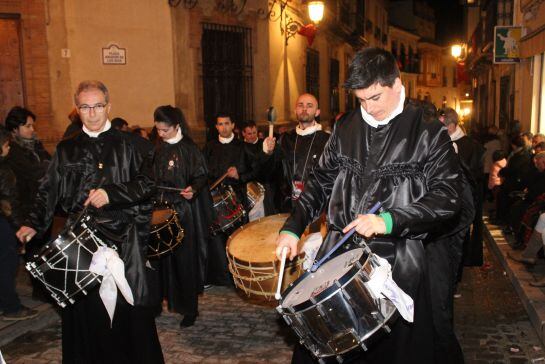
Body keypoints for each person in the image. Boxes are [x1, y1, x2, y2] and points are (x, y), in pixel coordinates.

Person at [275, 48, 464, 363]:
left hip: (398, 261)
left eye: (375, 97)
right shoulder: (346, 125)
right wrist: (293, 227)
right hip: (340, 252)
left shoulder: (427, 129)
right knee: (326, 345)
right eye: (361, 100)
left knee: (394, 353)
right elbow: (320, 181)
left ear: (396, 83)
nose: (368, 107)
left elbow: (448, 196)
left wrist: (389, 220)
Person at [16, 80, 164, 363]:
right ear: (77, 110)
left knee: (129, 313)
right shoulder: (66, 149)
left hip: (123, 241)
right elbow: (49, 190)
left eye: (98, 106)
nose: (92, 113)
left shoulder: (134, 145)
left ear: (108, 106)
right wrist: (34, 223)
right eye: (85, 107)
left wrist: (112, 194)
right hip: (80, 243)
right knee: (86, 313)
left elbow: (148, 185)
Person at [151, 105, 213, 327]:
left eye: (165, 130)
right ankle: (157, 302)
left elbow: (201, 176)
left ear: (176, 126)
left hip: (184, 212)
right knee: (160, 259)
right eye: (158, 129)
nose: (161, 134)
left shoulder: (190, 148)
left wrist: (192, 189)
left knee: (184, 261)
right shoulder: (157, 148)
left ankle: (189, 309)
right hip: (160, 210)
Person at [203, 113, 254, 286]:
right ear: (216, 127)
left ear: (233, 125)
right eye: (220, 124)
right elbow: (202, 173)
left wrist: (239, 175)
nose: (223, 127)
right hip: (214, 200)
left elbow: (253, 171)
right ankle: (220, 277)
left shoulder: (243, 147)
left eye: (227, 124)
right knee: (216, 239)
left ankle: (240, 275)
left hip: (236, 199)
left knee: (238, 238)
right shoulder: (209, 147)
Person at [262, 93, 329, 214]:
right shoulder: (284, 139)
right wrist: (269, 152)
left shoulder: (328, 140)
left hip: (316, 206)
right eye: (300, 105)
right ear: (295, 110)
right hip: (286, 206)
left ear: (317, 112)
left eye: (309, 106)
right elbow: (270, 173)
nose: (304, 109)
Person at [0, 126, 38, 321]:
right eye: (6, 145)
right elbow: (9, 203)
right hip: (3, 224)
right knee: (7, 265)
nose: (8, 149)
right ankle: (11, 307)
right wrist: (19, 227)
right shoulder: (3, 170)